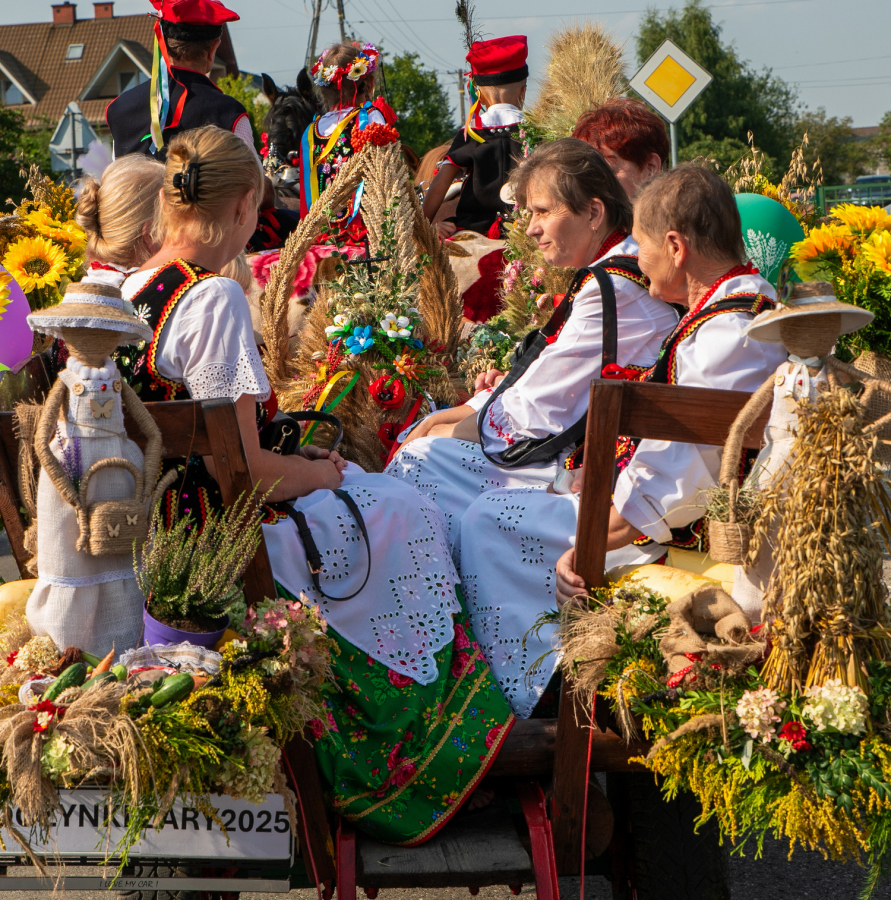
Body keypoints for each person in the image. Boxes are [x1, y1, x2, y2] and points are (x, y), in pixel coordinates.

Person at [110, 124, 512, 843]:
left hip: (161, 529)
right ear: (241, 210)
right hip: (229, 544)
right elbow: (251, 474)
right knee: (401, 508)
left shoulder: (134, 290)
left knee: (376, 497)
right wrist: (320, 470)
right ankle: (412, 752)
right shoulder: (213, 302)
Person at [457, 165, 787, 717]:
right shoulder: (743, 306)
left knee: (488, 519)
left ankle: (545, 703)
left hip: (690, 544)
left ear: (676, 247)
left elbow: (672, 485)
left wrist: (586, 546)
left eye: (644, 244)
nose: (637, 257)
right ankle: (549, 678)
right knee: (505, 508)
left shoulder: (725, 335)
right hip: (671, 520)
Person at [387, 139, 678, 547]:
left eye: (542, 211)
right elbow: (551, 379)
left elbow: (540, 409)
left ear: (594, 212)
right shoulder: (608, 275)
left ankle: (440, 599)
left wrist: (452, 426)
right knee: (426, 444)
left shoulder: (613, 287)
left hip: (593, 466)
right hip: (582, 444)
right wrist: (462, 414)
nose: (531, 228)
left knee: (422, 461)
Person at [106, 0, 253, 160]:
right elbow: (252, 180)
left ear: (162, 41)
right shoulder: (229, 114)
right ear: (213, 50)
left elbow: (115, 179)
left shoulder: (119, 108)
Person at [422, 36, 528, 239]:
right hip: (525, 232)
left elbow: (440, 185)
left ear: (480, 95)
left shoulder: (470, 133)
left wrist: (422, 229)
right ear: (523, 92)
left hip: (473, 229)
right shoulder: (536, 130)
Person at [299, 41, 396, 230]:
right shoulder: (370, 117)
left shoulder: (311, 130)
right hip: (364, 230)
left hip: (320, 232)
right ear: (369, 83)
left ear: (325, 90)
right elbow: (388, 175)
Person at [572, 98, 668, 201]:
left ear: (650, 169)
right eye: (585, 176)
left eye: (607, 172)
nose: (592, 186)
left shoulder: (681, 215)